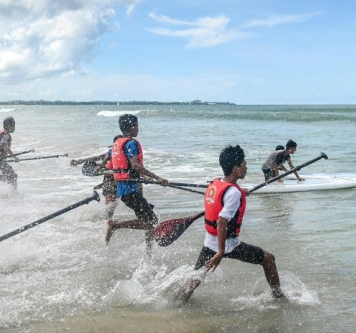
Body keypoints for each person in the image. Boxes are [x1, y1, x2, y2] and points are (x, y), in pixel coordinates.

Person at [183, 145, 284, 302]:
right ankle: (279, 297)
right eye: (244, 164)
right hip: (227, 245)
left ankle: (178, 301)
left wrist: (239, 190)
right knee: (268, 259)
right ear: (236, 168)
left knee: (195, 279)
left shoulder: (216, 184)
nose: (246, 167)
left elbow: (224, 197)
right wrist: (221, 252)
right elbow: (222, 221)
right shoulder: (233, 193)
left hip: (209, 242)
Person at [105, 114, 168, 246]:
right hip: (131, 191)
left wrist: (141, 176)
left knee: (148, 219)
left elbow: (118, 164)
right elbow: (135, 165)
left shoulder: (116, 143)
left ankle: (148, 250)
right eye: (136, 126)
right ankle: (115, 225)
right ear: (131, 127)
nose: (138, 129)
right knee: (151, 222)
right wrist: (157, 178)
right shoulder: (131, 143)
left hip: (124, 189)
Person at [70, 136, 121, 220]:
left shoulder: (125, 154)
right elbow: (96, 158)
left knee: (112, 205)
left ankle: (107, 221)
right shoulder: (112, 153)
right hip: (109, 182)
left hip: (116, 182)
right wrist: (79, 161)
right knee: (110, 205)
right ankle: (107, 222)